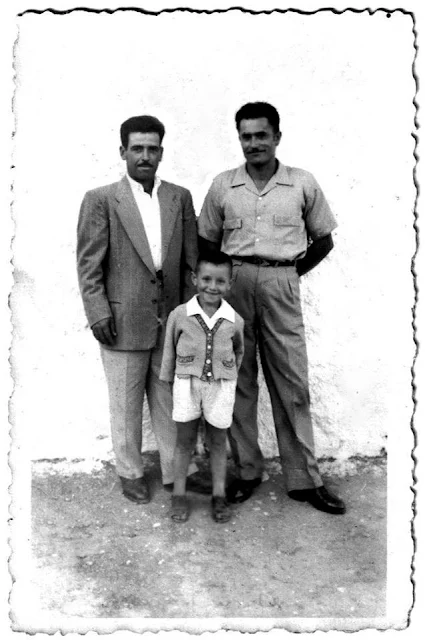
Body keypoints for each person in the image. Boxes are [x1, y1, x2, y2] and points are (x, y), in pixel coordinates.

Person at [197, 102, 346, 515]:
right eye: (246, 136)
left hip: (282, 283)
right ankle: (247, 472)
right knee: (237, 380)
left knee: (291, 382)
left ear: (277, 137)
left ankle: (304, 479)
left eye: (261, 135)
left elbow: (324, 239)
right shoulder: (224, 185)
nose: (253, 143)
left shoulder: (301, 183)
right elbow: (207, 241)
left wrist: (289, 275)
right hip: (235, 285)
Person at [77, 115, 198, 504]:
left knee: (169, 397)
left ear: (161, 152)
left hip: (169, 317)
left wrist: (191, 315)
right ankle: (130, 472)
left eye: (152, 149)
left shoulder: (179, 197)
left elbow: (191, 263)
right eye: (137, 148)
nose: (144, 156)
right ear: (123, 152)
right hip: (121, 319)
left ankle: (175, 471)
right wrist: (98, 312)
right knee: (125, 402)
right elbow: (89, 265)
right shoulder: (101, 200)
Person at [160, 250, 244, 523]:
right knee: (184, 441)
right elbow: (169, 350)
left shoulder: (234, 320)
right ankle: (179, 494)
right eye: (206, 279)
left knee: (218, 441)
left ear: (229, 283)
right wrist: (170, 380)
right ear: (195, 278)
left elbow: (239, 352)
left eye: (220, 281)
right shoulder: (180, 315)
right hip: (187, 385)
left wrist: (228, 377)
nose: (212, 286)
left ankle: (218, 496)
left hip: (220, 387)